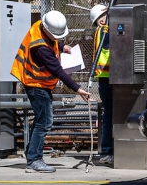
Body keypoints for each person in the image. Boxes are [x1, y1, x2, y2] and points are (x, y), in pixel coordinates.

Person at [10, 10, 91, 173]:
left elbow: (51, 41)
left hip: (37, 83)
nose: (57, 39)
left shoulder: (40, 26)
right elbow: (58, 71)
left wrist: (62, 47)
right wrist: (78, 89)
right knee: (45, 121)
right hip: (36, 84)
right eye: (56, 36)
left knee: (41, 120)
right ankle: (34, 160)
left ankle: (31, 154)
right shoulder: (40, 48)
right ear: (47, 29)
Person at [90, 4, 114, 166]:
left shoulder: (104, 30)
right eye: (105, 15)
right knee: (110, 116)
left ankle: (109, 150)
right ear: (100, 20)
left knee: (110, 115)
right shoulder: (105, 31)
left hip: (108, 78)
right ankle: (106, 151)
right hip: (108, 77)